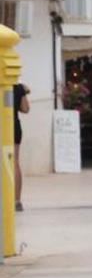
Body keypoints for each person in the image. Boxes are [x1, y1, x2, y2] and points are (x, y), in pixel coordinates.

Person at [11, 82, 30, 211]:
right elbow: (25, 109)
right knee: (14, 162)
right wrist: (22, 92)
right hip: (14, 127)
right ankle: (17, 201)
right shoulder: (18, 87)